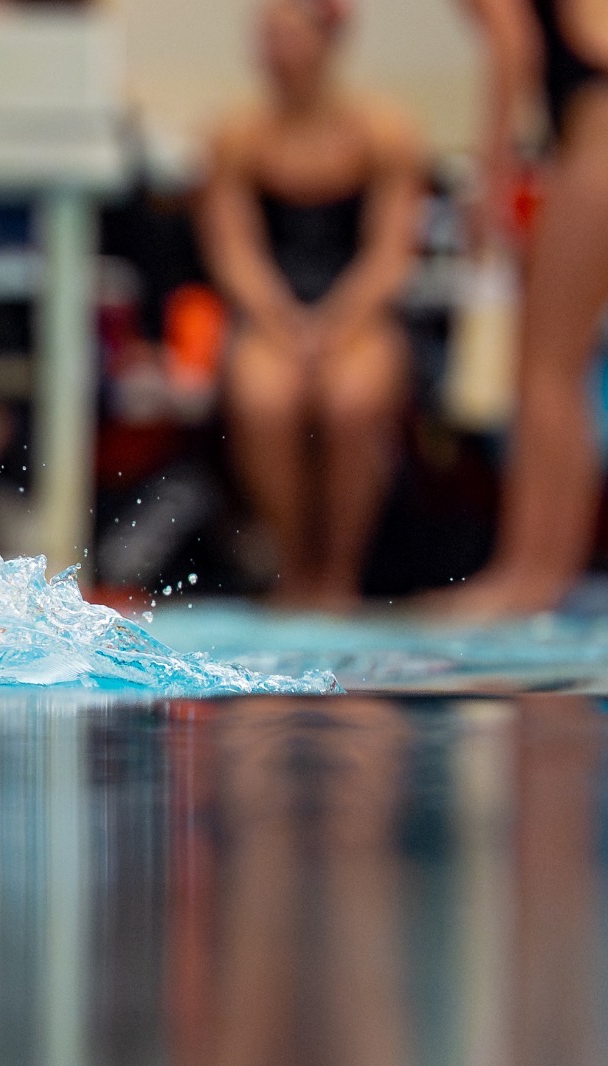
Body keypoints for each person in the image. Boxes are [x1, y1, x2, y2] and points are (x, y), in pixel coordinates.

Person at [431, 0, 608, 617]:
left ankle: (527, 574)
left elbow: (513, 46)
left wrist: (490, 181)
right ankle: (546, 571)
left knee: (545, 370)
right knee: (563, 370)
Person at [197, 0, 423, 611]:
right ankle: (294, 566)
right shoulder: (238, 136)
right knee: (265, 398)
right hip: (274, 308)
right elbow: (235, 253)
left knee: (353, 400)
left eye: (287, 36)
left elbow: (390, 254)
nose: (275, 52)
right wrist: (285, 322)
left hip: (356, 309)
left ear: (328, 42)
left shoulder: (381, 131)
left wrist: (337, 323)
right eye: (266, 37)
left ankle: (338, 574)